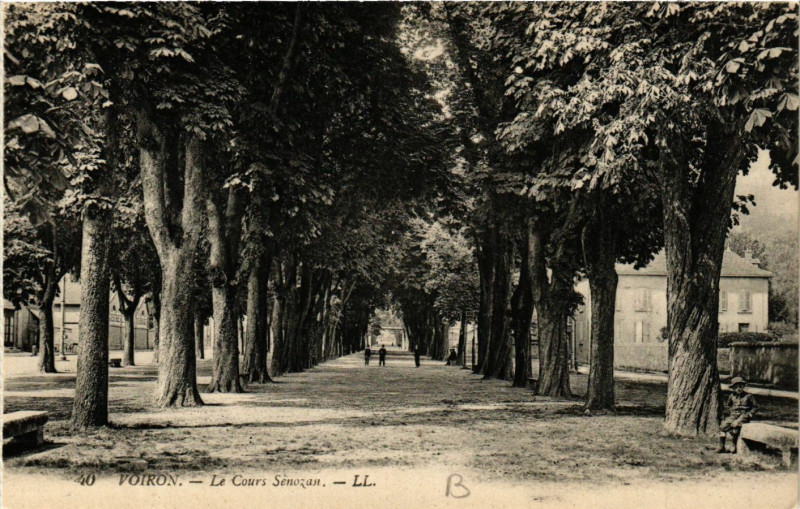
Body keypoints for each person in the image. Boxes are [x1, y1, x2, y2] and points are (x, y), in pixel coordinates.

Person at [718, 377, 758, 453]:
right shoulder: (731, 396)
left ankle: (734, 445)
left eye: (741, 386)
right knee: (722, 427)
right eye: (736, 387)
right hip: (733, 415)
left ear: (743, 386)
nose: (739, 388)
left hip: (744, 415)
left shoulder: (749, 396)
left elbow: (755, 407)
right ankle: (721, 446)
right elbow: (729, 405)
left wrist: (750, 414)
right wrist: (730, 413)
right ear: (733, 388)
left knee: (735, 425)